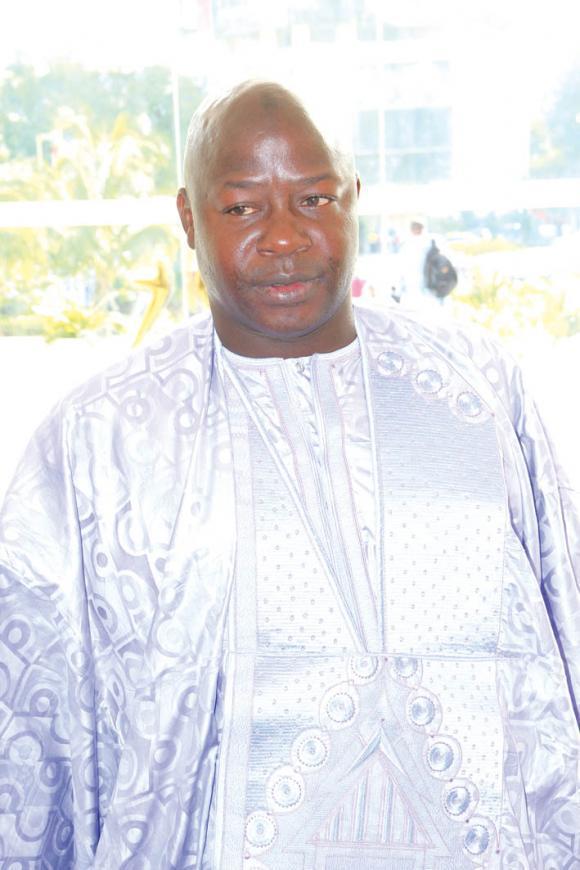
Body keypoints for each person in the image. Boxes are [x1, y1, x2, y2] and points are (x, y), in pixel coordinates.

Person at [0, 81, 578, 869]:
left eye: (314, 199)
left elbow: (563, 618)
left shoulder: (476, 390)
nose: (283, 237)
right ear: (188, 219)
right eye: (242, 207)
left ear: (354, 199)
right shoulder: (100, 438)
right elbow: (32, 728)